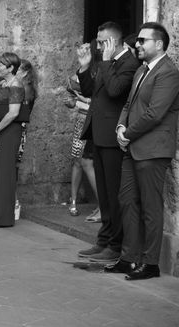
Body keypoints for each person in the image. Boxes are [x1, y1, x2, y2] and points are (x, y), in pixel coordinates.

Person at [112, 23, 179, 280]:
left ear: (159, 44)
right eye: (138, 41)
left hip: (152, 149)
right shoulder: (141, 70)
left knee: (151, 207)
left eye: (143, 40)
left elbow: (155, 114)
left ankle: (150, 263)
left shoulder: (168, 73)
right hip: (132, 146)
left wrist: (127, 134)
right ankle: (128, 258)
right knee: (127, 201)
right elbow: (129, 103)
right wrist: (120, 126)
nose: (138, 44)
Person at [76, 22, 139, 264]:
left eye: (103, 42)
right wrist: (84, 67)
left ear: (114, 41)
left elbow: (114, 91)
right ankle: (103, 240)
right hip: (98, 134)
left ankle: (115, 244)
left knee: (113, 194)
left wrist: (105, 60)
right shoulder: (107, 62)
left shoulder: (128, 64)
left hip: (113, 139)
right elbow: (92, 91)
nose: (98, 46)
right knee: (102, 195)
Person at [0, 52, 25, 227]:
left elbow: (13, 113)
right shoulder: (2, 84)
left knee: (4, 173)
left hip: (9, 132)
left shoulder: (16, 85)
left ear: (10, 68)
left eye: (0, 65)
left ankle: (4, 218)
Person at [64, 72, 99, 220]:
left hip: (93, 122)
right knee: (77, 161)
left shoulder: (99, 71)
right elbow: (72, 90)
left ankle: (102, 204)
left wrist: (78, 102)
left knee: (89, 162)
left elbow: (97, 102)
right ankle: (73, 201)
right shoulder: (79, 73)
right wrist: (73, 101)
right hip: (81, 121)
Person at [16, 59, 38, 164]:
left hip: (17, 128)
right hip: (18, 127)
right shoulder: (24, 87)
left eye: (17, 69)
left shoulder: (26, 89)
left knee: (13, 161)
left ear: (25, 73)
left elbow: (18, 113)